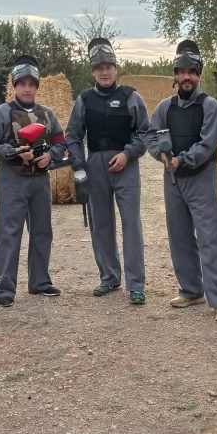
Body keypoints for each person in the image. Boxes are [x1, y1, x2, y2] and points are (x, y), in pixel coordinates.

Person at [147, 40, 217, 322]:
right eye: (181, 71)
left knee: (209, 239)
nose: (186, 77)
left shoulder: (211, 107)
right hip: (172, 181)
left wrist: (181, 159)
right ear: (175, 74)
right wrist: (160, 156)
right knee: (179, 237)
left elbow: (207, 143)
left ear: (199, 75)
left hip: (201, 179)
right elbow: (150, 136)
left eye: (192, 72)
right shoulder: (164, 107)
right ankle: (191, 289)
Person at [65, 38, 150, 305]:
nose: (104, 72)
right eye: (99, 67)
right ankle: (109, 277)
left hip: (126, 166)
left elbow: (144, 133)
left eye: (109, 66)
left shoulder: (130, 97)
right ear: (93, 71)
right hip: (95, 168)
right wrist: (79, 165)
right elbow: (72, 134)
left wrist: (128, 154)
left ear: (116, 69)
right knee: (101, 225)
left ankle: (135, 284)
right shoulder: (84, 99)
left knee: (131, 224)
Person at [0, 55, 67, 307]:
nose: (27, 88)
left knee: (42, 231)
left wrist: (50, 156)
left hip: (40, 181)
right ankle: (5, 289)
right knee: (9, 234)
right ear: (15, 86)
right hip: (12, 181)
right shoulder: (2, 113)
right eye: (22, 84)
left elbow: (60, 141)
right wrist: (13, 152)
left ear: (37, 86)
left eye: (32, 84)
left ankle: (39, 282)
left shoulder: (47, 114)